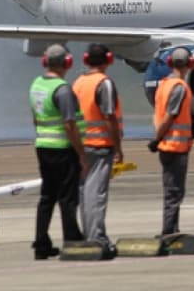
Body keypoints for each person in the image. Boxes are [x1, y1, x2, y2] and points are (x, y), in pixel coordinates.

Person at [29, 44, 87, 260]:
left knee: (47, 196)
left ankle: (41, 243)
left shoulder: (37, 84)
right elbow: (70, 124)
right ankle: (72, 240)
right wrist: (81, 154)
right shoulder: (62, 90)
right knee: (67, 197)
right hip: (62, 149)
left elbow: (35, 117)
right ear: (67, 63)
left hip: (43, 146)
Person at [72, 43, 123, 259]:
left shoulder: (78, 82)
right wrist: (118, 146)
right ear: (108, 60)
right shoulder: (104, 83)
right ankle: (97, 237)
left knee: (85, 192)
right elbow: (109, 116)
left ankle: (88, 234)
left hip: (81, 144)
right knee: (96, 193)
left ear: (86, 60)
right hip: (100, 145)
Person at [148, 47, 194, 236]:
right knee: (175, 192)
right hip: (175, 146)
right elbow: (170, 116)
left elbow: (156, 114)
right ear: (190, 64)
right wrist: (157, 138)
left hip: (166, 145)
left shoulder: (163, 85)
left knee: (172, 190)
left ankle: (173, 228)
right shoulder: (179, 87)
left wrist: (157, 136)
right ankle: (168, 231)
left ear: (169, 63)